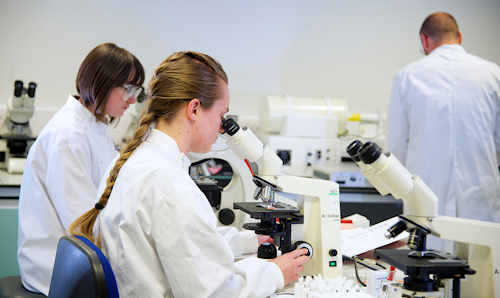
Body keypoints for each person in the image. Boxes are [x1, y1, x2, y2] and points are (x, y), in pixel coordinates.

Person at [70, 51, 310, 298]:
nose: (221, 127)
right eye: (220, 115)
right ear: (194, 109)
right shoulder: (169, 185)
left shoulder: (134, 162)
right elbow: (216, 294)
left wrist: (248, 242)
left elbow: (186, 244)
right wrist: (274, 273)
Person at [17, 42, 145, 295]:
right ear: (102, 83)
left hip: (80, 255)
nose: (132, 99)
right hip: (54, 267)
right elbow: (81, 222)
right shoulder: (68, 135)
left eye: (136, 90)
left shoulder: (95, 127)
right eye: (128, 89)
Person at [387, 12, 500, 226]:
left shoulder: (408, 76)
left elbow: (396, 146)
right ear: (459, 37)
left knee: (427, 257)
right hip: (481, 200)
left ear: (424, 39)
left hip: (427, 200)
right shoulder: (493, 74)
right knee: (482, 256)